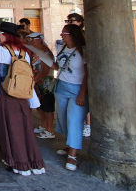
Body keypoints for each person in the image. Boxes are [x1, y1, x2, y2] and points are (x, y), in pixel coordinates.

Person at [0, 22, 45, 176]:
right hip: (21, 95)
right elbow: (27, 75)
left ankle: (15, 161)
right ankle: (33, 161)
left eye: (0, 33)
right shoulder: (24, 51)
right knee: (24, 128)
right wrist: (32, 99)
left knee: (8, 129)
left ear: (7, 35)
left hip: (5, 94)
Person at [52, 24, 88, 171]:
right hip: (61, 87)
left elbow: (87, 74)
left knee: (74, 120)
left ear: (72, 35)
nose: (61, 35)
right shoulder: (63, 48)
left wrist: (82, 93)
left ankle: (72, 156)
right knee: (63, 119)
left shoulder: (83, 51)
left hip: (76, 88)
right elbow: (58, 67)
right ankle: (69, 145)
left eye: (64, 33)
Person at [25, 32, 55, 139]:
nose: (31, 42)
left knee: (48, 107)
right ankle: (43, 126)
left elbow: (45, 72)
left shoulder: (45, 52)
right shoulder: (36, 51)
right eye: (30, 39)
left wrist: (33, 81)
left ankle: (49, 130)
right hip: (39, 83)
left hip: (46, 84)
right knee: (41, 106)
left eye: (33, 39)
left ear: (40, 40)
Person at [65, 13, 90, 137]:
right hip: (64, 85)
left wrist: (83, 92)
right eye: (68, 21)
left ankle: (88, 125)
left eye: (72, 20)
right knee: (65, 118)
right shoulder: (65, 46)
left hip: (77, 85)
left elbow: (87, 71)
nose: (69, 22)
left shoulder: (84, 42)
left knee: (77, 113)